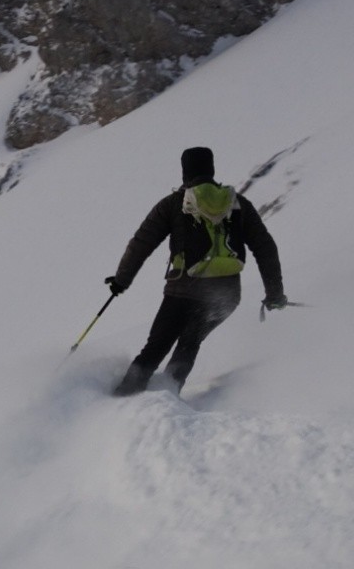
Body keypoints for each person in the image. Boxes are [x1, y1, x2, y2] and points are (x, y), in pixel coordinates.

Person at [105, 146, 286, 396]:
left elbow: (141, 244)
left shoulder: (173, 204)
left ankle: (125, 396)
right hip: (225, 296)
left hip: (182, 291)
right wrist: (274, 293)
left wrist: (121, 281)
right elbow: (265, 248)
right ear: (211, 169)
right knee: (189, 344)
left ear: (185, 172)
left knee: (156, 347)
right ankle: (168, 396)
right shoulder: (237, 204)